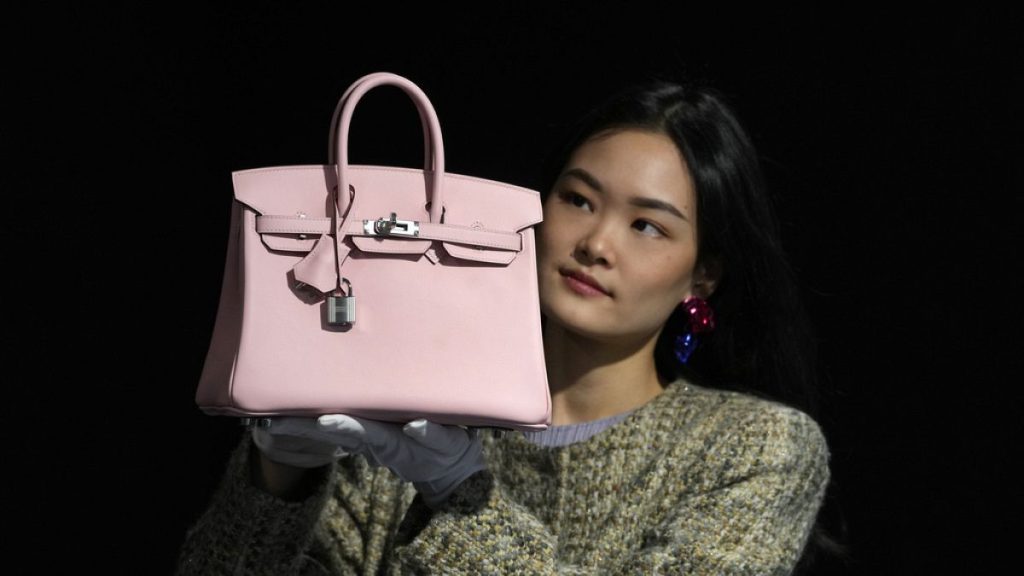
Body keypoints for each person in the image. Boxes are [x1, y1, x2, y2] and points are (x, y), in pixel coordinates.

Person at [175, 76, 835, 575]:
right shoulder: (395, 429)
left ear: (702, 275)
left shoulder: (755, 447)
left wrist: (463, 492)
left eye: (647, 225)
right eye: (578, 199)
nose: (596, 242)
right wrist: (278, 474)